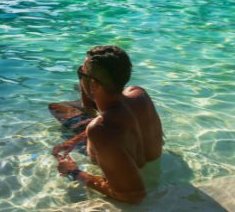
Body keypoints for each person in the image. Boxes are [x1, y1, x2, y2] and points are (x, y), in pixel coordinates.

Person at [52, 45, 163, 204]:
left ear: (93, 85)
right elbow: (117, 128)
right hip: (148, 165)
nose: (80, 76)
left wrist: (74, 172)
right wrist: (76, 139)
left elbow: (133, 195)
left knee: (55, 108)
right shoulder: (139, 94)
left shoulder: (99, 130)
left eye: (80, 73)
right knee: (66, 108)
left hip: (107, 138)